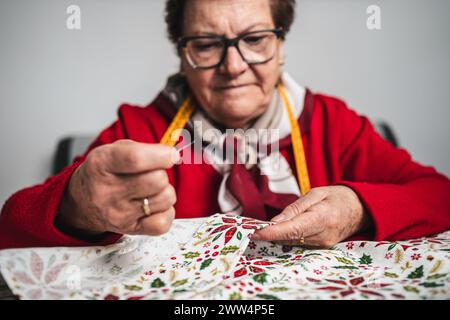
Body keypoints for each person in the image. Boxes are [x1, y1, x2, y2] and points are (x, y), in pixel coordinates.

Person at [1, 0, 449, 250]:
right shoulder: (141, 128)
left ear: (281, 45)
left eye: (254, 39)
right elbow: (11, 232)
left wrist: (358, 208)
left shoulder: (334, 124)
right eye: (207, 44)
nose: (233, 66)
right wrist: (76, 206)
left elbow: (439, 195)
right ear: (182, 53)